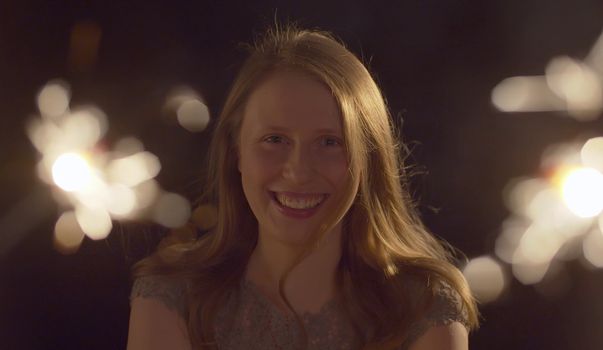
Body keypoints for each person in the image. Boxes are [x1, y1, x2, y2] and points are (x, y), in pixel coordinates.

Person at [127, 25, 479, 350]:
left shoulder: (423, 310)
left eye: (329, 142)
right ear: (236, 152)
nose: (298, 172)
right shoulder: (172, 298)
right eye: (275, 139)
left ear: (367, 157)